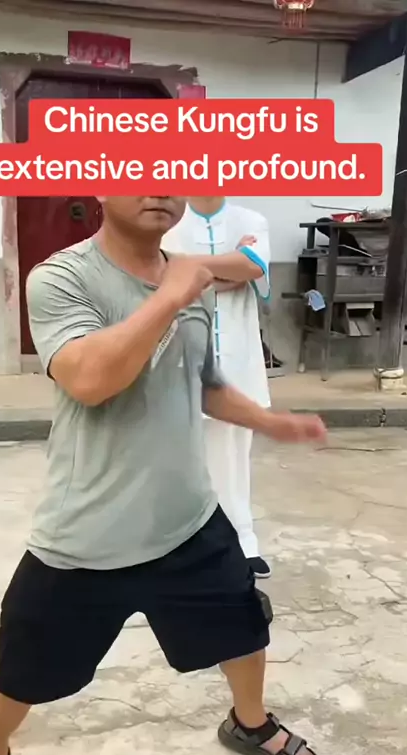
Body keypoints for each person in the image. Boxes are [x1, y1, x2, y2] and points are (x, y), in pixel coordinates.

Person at [0, 196, 326, 755]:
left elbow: (202, 381)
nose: (158, 187)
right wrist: (171, 295)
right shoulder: (61, 278)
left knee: (243, 626)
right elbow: (91, 380)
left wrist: (270, 421)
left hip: (187, 515)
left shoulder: (188, 279)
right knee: (24, 662)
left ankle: (250, 722)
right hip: (86, 532)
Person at [161, 197, 273, 580]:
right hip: (180, 357)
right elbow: (162, 277)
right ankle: (181, 543)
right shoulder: (169, 222)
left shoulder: (251, 219)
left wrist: (189, 268)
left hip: (239, 362)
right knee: (178, 457)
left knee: (234, 457)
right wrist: (229, 267)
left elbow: (252, 266)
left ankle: (243, 541)